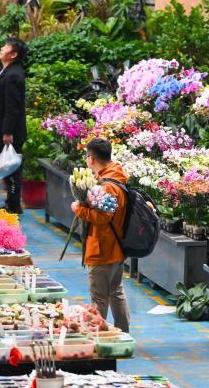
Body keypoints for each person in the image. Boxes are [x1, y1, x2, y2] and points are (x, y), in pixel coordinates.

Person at [70, 138, 131, 333]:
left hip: (103, 249)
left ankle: (98, 336)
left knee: (99, 298)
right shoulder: (116, 177)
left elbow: (103, 217)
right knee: (116, 292)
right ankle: (123, 332)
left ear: (91, 158)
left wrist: (78, 209)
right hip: (116, 248)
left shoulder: (108, 186)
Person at [0, 37, 27, 214]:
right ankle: (11, 202)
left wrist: (8, 131)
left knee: (12, 166)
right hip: (0, 126)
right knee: (6, 164)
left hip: (9, 130)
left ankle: (14, 204)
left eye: (6, 46)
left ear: (13, 54)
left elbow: (13, 106)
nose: (2, 48)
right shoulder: (4, 71)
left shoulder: (14, 75)